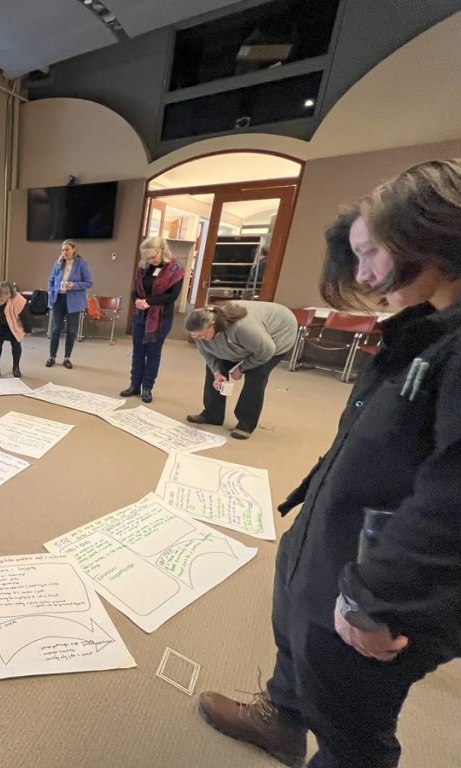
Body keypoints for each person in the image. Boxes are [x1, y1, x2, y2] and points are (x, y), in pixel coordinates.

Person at [197, 158, 461, 768]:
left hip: (386, 586)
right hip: (339, 538)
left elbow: (453, 503)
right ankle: (283, 719)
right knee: (296, 627)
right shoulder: (422, 324)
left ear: (430, 236)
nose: (364, 274)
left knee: (352, 726)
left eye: (373, 253)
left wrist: (375, 599)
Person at [184, 301, 297, 439]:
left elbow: (267, 350)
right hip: (245, 340)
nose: (199, 339)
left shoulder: (242, 327)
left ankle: (246, 424)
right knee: (214, 370)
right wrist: (217, 373)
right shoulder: (200, 331)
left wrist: (242, 368)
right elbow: (209, 354)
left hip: (278, 335)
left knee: (256, 375)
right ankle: (212, 414)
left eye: (201, 335)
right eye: (195, 337)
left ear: (212, 324)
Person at [120, 236, 185, 403]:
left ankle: (147, 387)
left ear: (162, 251)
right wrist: (137, 300)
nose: (150, 260)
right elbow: (135, 290)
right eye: (147, 257)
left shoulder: (176, 268)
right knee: (138, 352)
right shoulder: (144, 267)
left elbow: (172, 296)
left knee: (153, 352)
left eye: (153, 257)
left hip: (161, 318)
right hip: (140, 315)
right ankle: (134, 385)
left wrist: (148, 302)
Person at [45, 239, 92, 369]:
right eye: (63, 250)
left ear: (74, 250)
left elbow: (89, 283)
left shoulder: (81, 263)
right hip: (58, 299)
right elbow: (51, 279)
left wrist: (74, 285)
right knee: (55, 329)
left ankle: (67, 358)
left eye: (67, 249)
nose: (64, 252)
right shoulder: (58, 263)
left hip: (74, 301)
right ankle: (52, 357)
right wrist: (50, 291)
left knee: (71, 330)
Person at [0, 282, 30, 378]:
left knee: (16, 344)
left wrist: (27, 329)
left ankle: (16, 367)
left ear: (8, 296)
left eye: (1, 300)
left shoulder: (18, 300)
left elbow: (25, 317)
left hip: (13, 324)